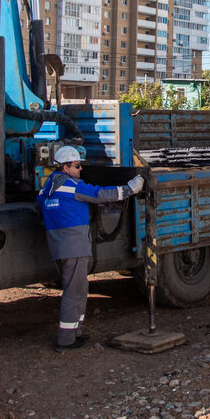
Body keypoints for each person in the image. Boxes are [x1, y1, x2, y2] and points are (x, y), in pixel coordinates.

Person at [37, 145, 144, 350]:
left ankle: (75, 332)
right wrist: (130, 189)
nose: (80, 170)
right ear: (65, 167)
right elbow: (99, 194)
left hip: (60, 245)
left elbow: (40, 205)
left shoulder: (48, 186)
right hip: (73, 247)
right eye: (77, 166)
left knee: (79, 289)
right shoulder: (70, 186)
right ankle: (66, 339)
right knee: (73, 291)